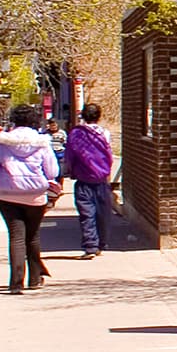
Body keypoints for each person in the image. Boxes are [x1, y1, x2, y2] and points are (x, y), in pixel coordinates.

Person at [0, 104, 61, 293]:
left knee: (16, 237)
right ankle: (35, 279)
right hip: (35, 196)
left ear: (14, 121)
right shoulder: (42, 143)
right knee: (32, 236)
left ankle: (16, 282)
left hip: (8, 196)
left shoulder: (2, 143)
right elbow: (52, 171)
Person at [65, 103, 113, 259]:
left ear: (83, 116)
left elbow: (70, 156)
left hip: (83, 178)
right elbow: (109, 156)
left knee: (87, 214)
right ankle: (101, 243)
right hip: (101, 179)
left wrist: (71, 171)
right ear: (99, 116)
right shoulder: (104, 133)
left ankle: (91, 246)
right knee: (102, 213)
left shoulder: (76, 134)